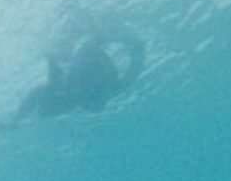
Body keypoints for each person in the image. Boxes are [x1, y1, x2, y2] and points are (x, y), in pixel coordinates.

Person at [15, 28, 145, 120]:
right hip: (86, 56)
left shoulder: (72, 93)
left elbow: (42, 90)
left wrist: (16, 119)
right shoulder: (114, 87)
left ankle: (78, 37)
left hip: (82, 58)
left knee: (48, 106)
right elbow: (138, 52)